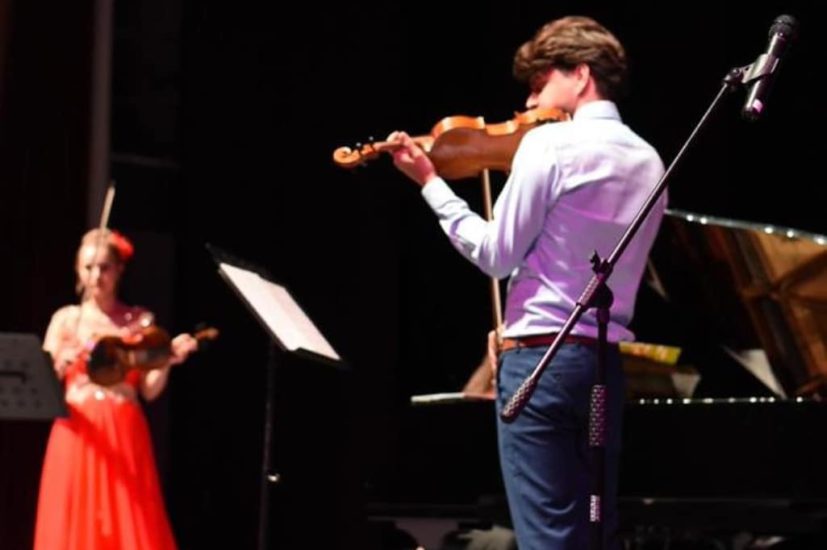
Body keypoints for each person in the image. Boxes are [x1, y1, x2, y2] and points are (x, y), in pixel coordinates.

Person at [387, 15, 667, 549]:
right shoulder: (650, 160)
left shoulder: (551, 145)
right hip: (603, 367)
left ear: (580, 74)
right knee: (593, 534)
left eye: (540, 84)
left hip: (541, 362)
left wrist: (431, 184)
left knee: (546, 537)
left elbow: (496, 255)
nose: (531, 101)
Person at [33, 228, 198, 550]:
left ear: (119, 269)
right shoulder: (67, 320)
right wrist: (60, 363)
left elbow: (149, 390)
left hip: (123, 430)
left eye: (104, 267)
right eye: (89, 267)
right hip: (77, 431)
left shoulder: (139, 322)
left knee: (128, 518)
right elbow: (43, 385)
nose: (96, 276)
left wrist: (166, 359)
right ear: (78, 270)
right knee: (73, 519)